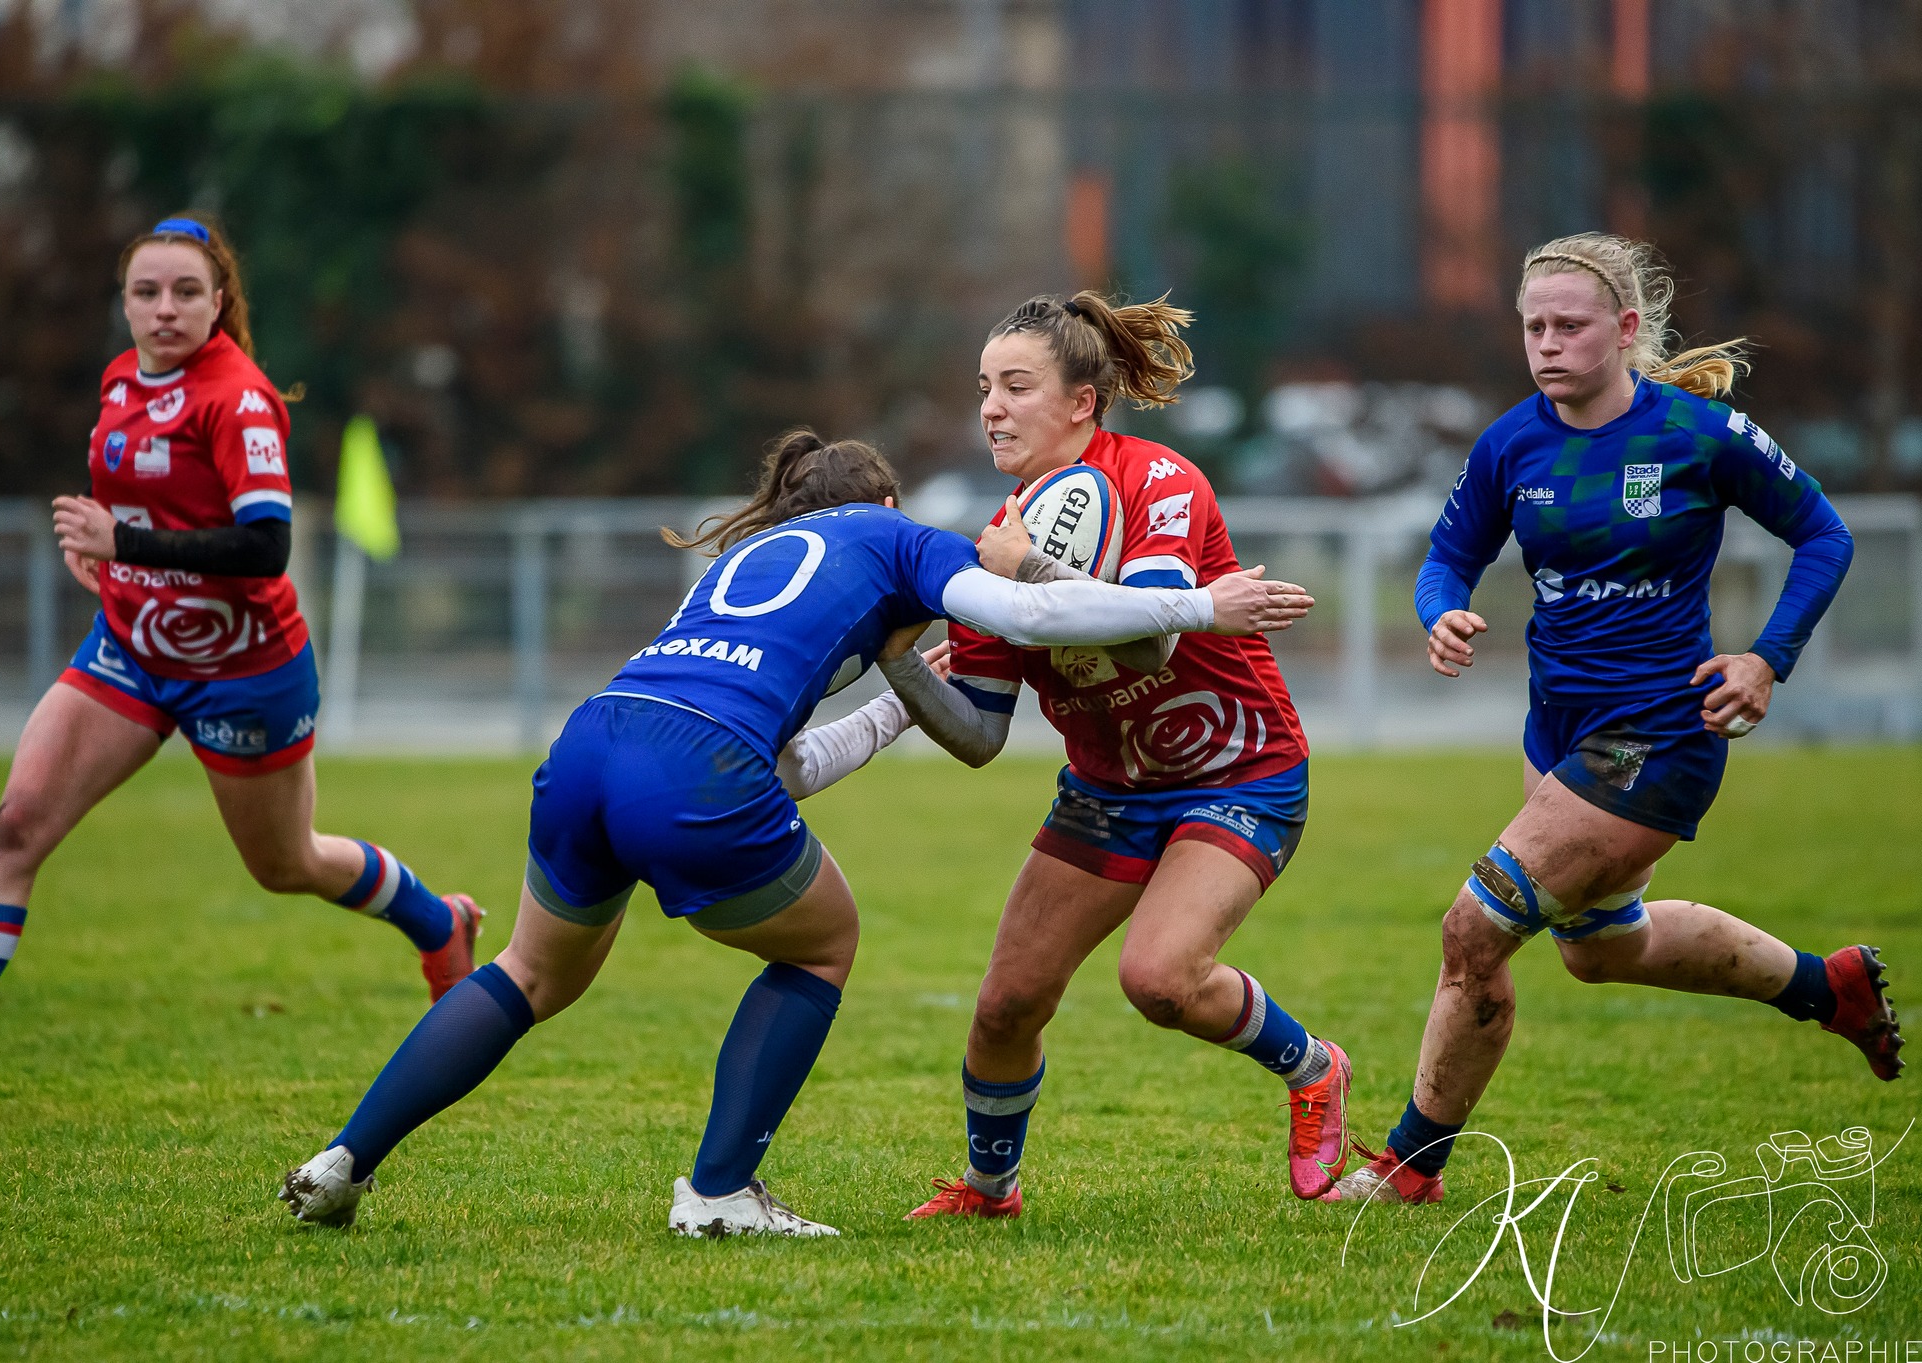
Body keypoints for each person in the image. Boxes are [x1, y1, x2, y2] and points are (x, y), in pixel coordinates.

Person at [278, 428, 1305, 1236]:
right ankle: (719, 1189)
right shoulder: (892, 540)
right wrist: (1203, 607)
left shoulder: (763, 557)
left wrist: (896, 704)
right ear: (887, 504)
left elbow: (784, 762)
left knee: (528, 975)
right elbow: (1028, 614)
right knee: (824, 940)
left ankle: (340, 1161)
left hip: (593, 742)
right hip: (691, 769)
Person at [1329, 232, 1901, 1208]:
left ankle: (1407, 1165)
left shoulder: (1697, 435)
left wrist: (1765, 658)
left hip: (1660, 731)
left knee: (1473, 927)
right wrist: (1439, 612)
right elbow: (1444, 556)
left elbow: (1821, 533)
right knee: (1598, 948)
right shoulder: (1511, 441)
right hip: (1555, 726)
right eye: (1531, 326)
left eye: (1567, 325)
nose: (1546, 344)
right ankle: (1826, 985)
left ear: (1625, 330)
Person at [0, 216, 482, 1109]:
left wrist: (125, 536)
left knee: (285, 864)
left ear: (219, 301)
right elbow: (139, 502)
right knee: (16, 825)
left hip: (243, 669)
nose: (165, 309)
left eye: (186, 292)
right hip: (130, 646)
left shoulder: (237, 399)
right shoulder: (122, 378)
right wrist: (103, 549)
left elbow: (265, 546)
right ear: (123, 304)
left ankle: (440, 921)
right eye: (147, 292)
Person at [875, 291, 1350, 1218]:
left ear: (1083, 401)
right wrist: (897, 661)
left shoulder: (1160, 482)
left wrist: (1026, 577)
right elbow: (977, 732)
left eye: (1017, 385)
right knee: (1006, 1004)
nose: (992, 408)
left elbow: (1150, 644)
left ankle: (1314, 1066)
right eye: (984, 388)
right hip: (1107, 792)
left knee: (1159, 979)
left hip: (1238, 774)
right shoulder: (994, 540)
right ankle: (990, 1188)